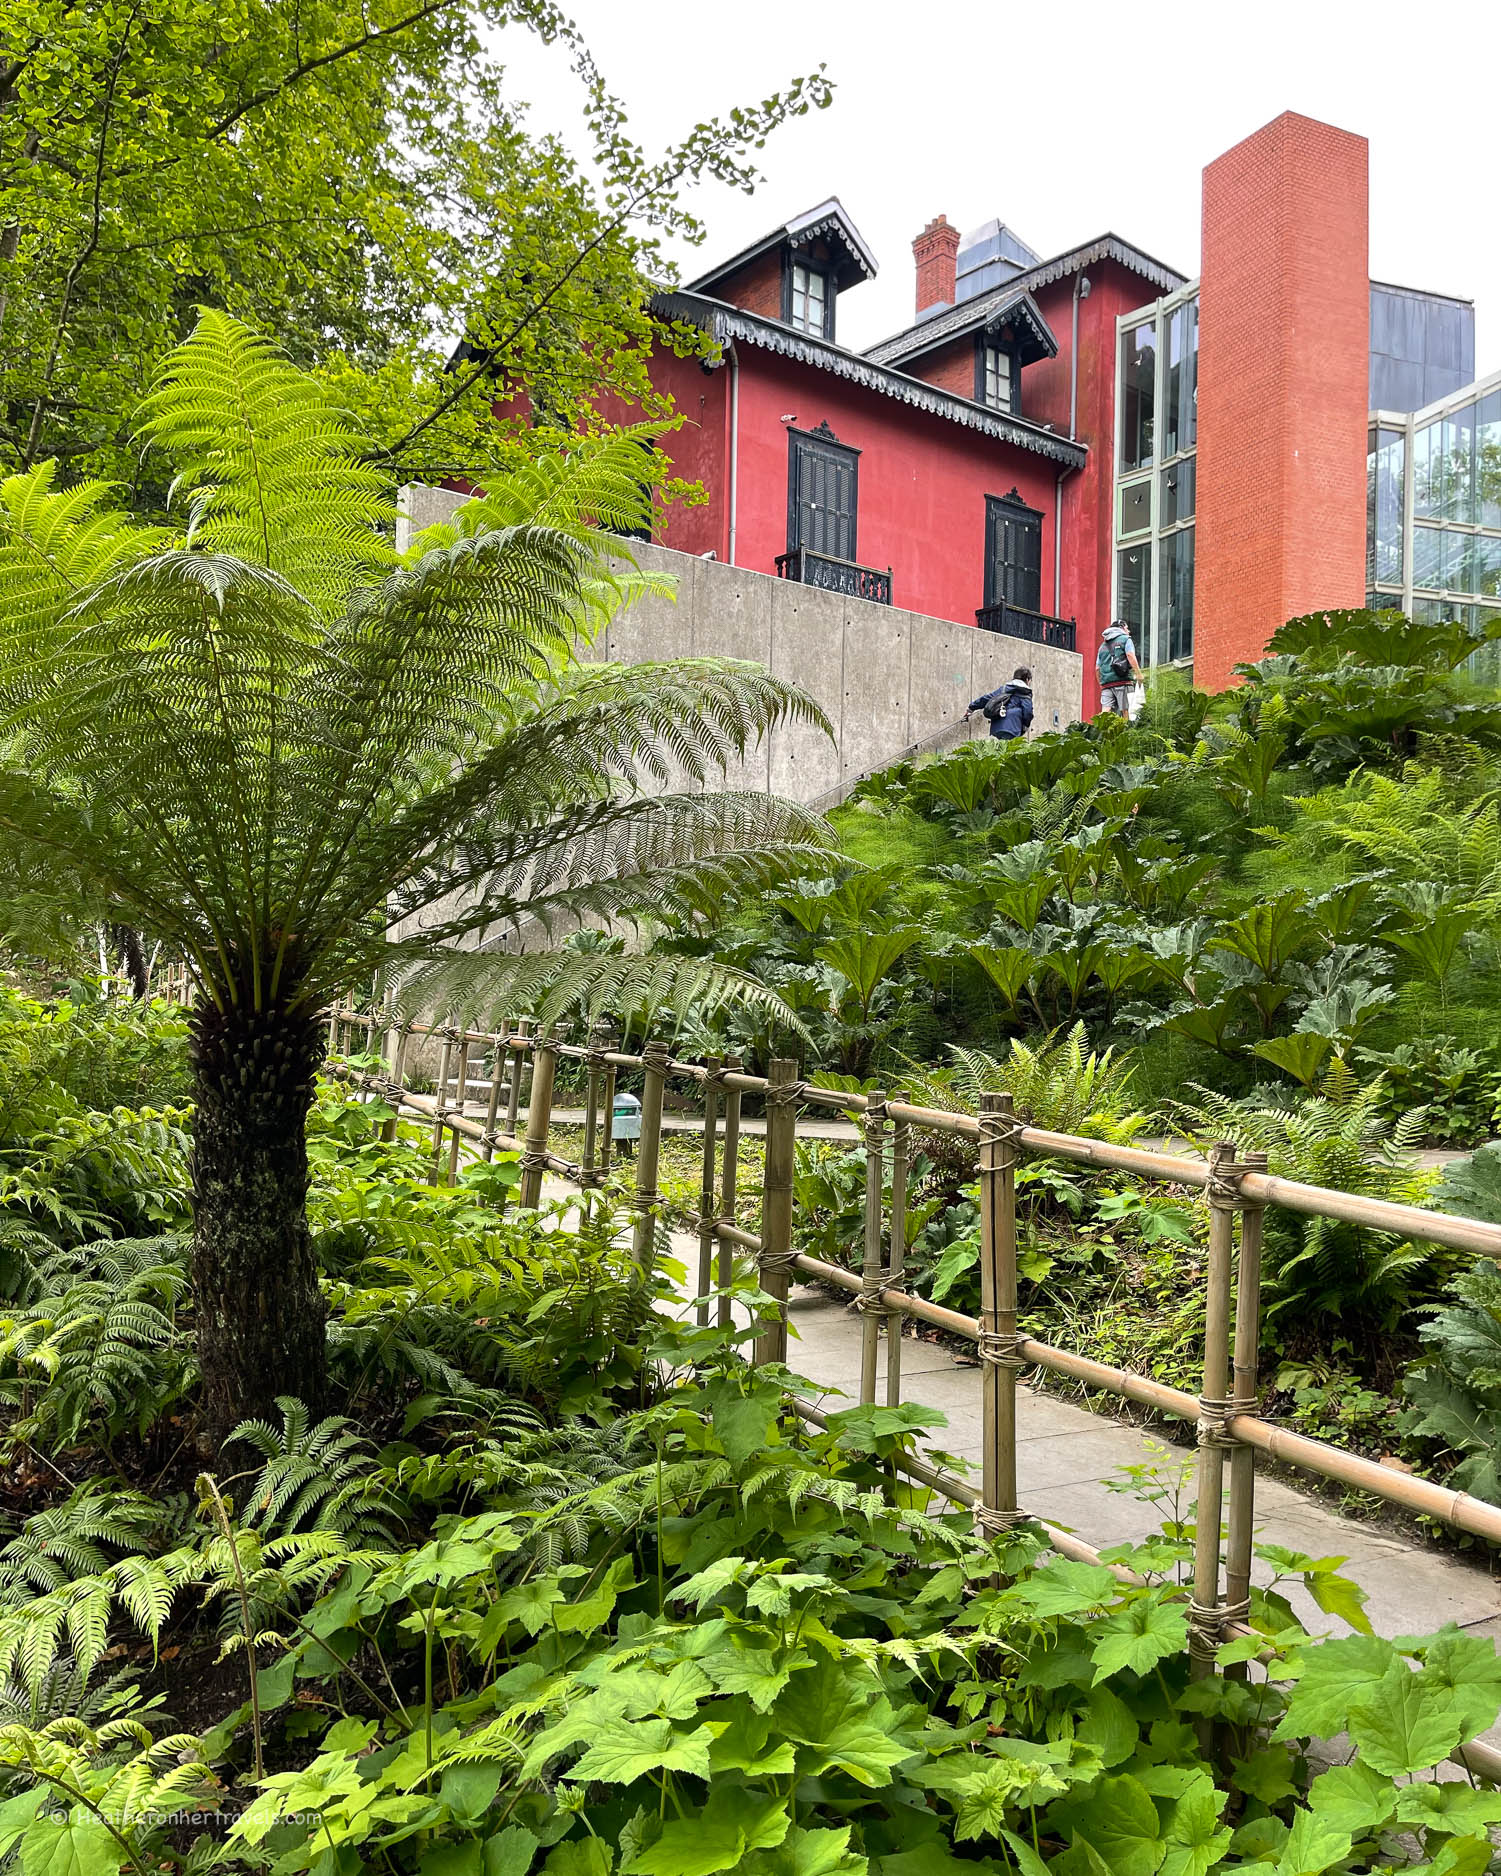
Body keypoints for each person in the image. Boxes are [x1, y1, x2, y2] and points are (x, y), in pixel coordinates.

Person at [967, 666, 1034, 741]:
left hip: (997, 727)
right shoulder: (1025, 692)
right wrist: (1025, 726)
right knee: (1009, 750)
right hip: (1013, 727)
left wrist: (971, 707)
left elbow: (988, 698)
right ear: (1027, 680)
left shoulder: (1005, 688)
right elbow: (1028, 712)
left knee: (1002, 748)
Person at [1096, 622, 1141, 716]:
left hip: (1106, 684)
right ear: (1121, 628)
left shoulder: (1102, 646)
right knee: (1127, 710)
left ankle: (1099, 729)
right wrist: (1138, 674)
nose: (1128, 631)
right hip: (1123, 682)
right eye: (1127, 628)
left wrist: (1101, 684)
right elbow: (1130, 655)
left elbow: (1097, 668)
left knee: (1105, 712)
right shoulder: (1126, 639)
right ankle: (1127, 730)